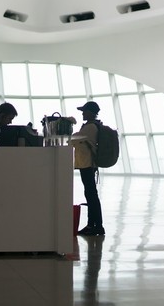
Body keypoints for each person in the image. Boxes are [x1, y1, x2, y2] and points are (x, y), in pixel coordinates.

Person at [72, 101, 105, 236]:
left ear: (91, 112)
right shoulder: (91, 126)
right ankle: (93, 225)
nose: (82, 113)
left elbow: (73, 139)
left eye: (84, 111)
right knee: (91, 194)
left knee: (91, 195)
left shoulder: (90, 127)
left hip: (87, 163)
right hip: (88, 163)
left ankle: (96, 226)